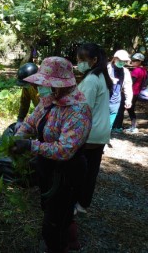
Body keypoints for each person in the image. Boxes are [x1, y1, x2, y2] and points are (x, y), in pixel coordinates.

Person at [9, 57, 92, 252]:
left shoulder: (78, 110)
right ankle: (67, 238)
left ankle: (60, 243)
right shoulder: (49, 100)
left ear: (62, 84)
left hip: (67, 171)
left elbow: (64, 150)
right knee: (49, 206)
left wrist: (30, 145)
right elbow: (31, 121)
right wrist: (18, 137)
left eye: (48, 84)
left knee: (55, 220)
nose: (43, 88)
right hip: (47, 165)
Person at [74, 43, 112, 215]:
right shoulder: (101, 76)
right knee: (91, 171)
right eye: (78, 59)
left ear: (94, 60)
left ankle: (75, 202)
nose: (79, 63)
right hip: (101, 131)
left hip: (90, 132)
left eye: (82, 59)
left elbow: (83, 109)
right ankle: (83, 203)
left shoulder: (90, 80)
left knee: (80, 170)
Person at [109, 50, 133, 132]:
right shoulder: (106, 68)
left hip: (115, 100)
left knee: (109, 123)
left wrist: (128, 99)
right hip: (104, 99)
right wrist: (109, 80)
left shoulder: (125, 71)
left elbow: (128, 86)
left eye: (124, 61)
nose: (122, 63)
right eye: (120, 61)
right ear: (115, 59)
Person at [123, 53, 147, 133]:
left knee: (128, 109)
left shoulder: (137, 70)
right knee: (130, 109)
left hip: (132, 92)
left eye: (134, 60)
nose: (132, 62)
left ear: (140, 61)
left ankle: (132, 127)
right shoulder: (144, 70)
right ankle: (133, 126)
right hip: (137, 92)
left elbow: (131, 82)